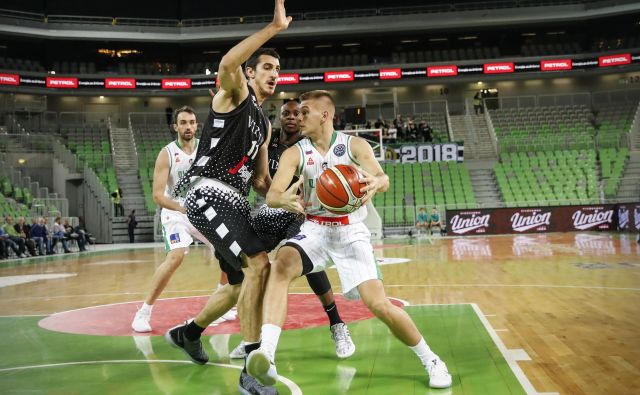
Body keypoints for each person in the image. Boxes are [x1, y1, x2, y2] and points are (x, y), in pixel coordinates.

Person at [245, 90, 452, 390]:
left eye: (305, 112)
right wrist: (282, 200)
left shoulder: (353, 145)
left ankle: (431, 359)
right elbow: (274, 193)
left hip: (350, 232)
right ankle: (267, 353)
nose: (299, 118)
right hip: (315, 228)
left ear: (324, 115)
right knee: (281, 265)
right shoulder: (295, 152)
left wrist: (377, 182)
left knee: (379, 304)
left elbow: (382, 177)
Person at [165, 2, 291, 394]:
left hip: (235, 202)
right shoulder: (234, 94)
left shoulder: (265, 127)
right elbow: (227, 60)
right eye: (267, 68)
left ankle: (189, 333)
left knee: (241, 282)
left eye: (278, 70)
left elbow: (261, 182)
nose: (274, 75)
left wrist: (291, 192)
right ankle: (252, 371)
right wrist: (272, 28)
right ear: (250, 73)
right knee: (258, 265)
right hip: (206, 193)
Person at [197, 99, 355, 361]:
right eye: (286, 114)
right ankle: (253, 339)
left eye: (297, 113)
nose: (292, 117)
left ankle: (337, 323)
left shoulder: (309, 147)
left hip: (304, 214)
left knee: (307, 261)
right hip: (272, 210)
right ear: (280, 117)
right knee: (239, 260)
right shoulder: (267, 146)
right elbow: (261, 182)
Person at [132, 106, 236, 333]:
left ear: (196, 125)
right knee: (176, 256)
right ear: (175, 126)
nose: (188, 126)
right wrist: (182, 207)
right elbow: (158, 195)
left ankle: (222, 301)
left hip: (202, 211)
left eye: (191, 122)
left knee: (229, 253)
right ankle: (144, 311)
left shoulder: (206, 149)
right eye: (183, 122)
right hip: (176, 212)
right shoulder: (166, 153)